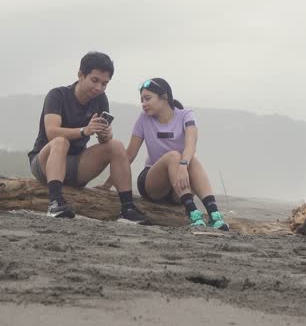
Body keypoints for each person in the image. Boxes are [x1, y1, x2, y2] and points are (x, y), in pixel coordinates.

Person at [27, 51, 146, 223]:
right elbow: (51, 132)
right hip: (45, 162)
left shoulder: (100, 99)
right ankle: (54, 203)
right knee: (61, 142)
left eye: (104, 84)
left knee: (116, 145)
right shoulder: (57, 95)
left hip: (76, 165)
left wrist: (105, 135)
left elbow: (103, 139)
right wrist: (84, 131)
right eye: (94, 80)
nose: (99, 88)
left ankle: (127, 208)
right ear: (81, 75)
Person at [124, 78, 229, 230]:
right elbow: (129, 156)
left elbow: (191, 144)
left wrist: (183, 165)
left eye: (148, 99)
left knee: (191, 159)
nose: (143, 104)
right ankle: (193, 213)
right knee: (173, 155)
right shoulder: (143, 119)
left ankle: (214, 214)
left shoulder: (186, 114)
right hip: (153, 184)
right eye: (141, 100)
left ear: (164, 97)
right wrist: (109, 184)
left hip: (179, 187)